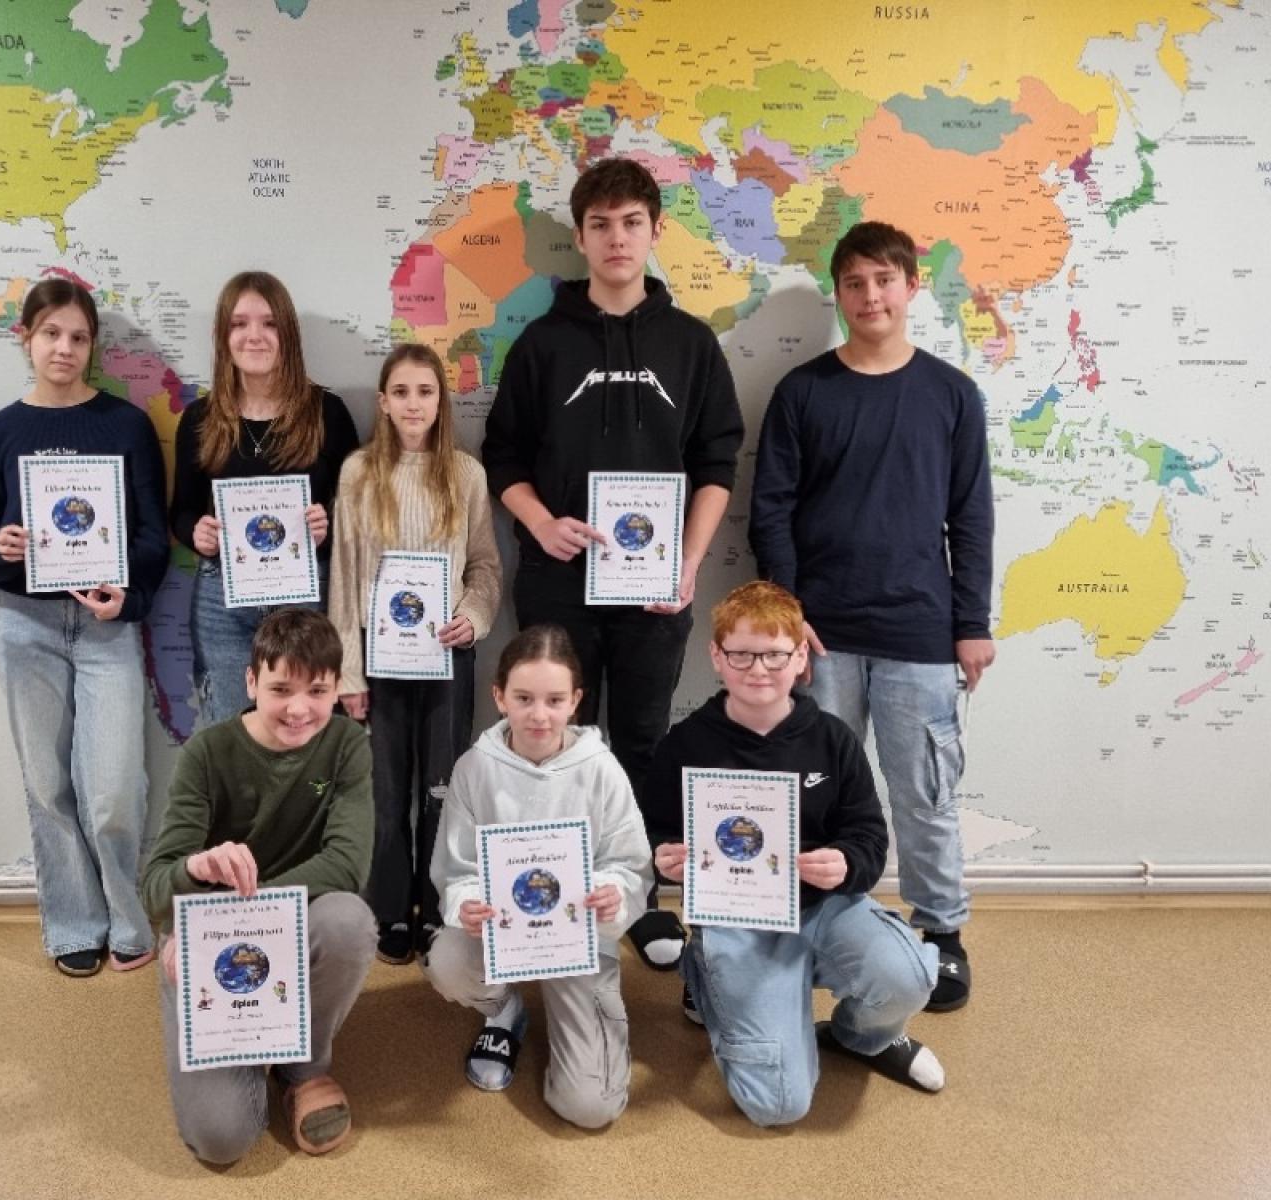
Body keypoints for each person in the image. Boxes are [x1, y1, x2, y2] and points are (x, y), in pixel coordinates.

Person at [479, 157, 744, 971]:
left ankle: (639, 899)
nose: (617, 239)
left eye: (632, 223)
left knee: (639, 738)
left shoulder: (691, 344)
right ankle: (552, 893)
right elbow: (502, 454)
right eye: (601, 225)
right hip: (557, 582)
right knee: (552, 738)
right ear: (582, 236)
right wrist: (540, 522)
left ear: (656, 230)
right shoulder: (542, 343)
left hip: (654, 590)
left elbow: (717, 461)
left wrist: (688, 562)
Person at [748, 220, 995, 1011]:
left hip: (920, 632)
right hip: (818, 637)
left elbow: (971, 516)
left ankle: (941, 929)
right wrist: (785, 616)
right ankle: (807, 918)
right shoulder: (804, 392)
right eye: (854, 282)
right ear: (840, 293)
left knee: (923, 791)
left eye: (884, 280)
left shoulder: (952, 394)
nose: (870, 295)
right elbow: (771, 509)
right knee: (810, 790)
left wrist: (972, 623)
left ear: (912, 286)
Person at [646, 582, 943, 1126]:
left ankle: (861, 1038)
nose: (758, 669)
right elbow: (654, 833)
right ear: (717, 656)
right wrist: (665, 860)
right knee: (777, 1106)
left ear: (801, 656)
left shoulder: (834, 738)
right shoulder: (684, 745)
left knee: (908, 977)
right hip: (739, 920)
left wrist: (847, 862)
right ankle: (708, 974)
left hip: (825, 906)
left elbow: (869, 836)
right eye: (741, 654)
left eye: (775, 655)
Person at [0, 277, 167, 978]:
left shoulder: (125, 425)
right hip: (26, 625)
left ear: (92, 345)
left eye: (78, 337)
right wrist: (0, 550)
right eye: (51, 334)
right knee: (48, 785)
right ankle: (75, 922)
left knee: (114, 791)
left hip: (106, 629)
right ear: (26, 338)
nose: (64, 348)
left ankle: (128, 919)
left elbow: (152, 537)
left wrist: (125, 598)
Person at [141, 608, 376, 1163]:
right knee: (221, 1138)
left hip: (281, 918)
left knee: (348, 921)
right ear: (251, 682)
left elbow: (346, 866)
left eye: (317, 691)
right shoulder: (206, 753)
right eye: (280, 689)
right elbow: (154, 887)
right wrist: (198, 872)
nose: (299, 708)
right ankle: (246, 1043)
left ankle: (302, 1067)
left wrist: (244, 913)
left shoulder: (347, 746)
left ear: (336, 688)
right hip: (207, 939)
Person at [424, 625, 652, 1130]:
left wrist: (614, 894)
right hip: (501, 933)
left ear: (576, 701)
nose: (539, 715)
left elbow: (630, 862)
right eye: (524, 698)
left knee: (590, 1108)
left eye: (554, 700)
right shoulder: (474, 768)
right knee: (448, 962)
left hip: (579, 940)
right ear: (499, 696)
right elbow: (457, 867)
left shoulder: (601, 769)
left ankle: (577, 1026)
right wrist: (466, 903)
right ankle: (505, 1010)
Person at [329, 343, 502, 965]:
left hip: (446, 660)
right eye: (400, 392)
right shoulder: (358, 473)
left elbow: (484, 567)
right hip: (377, 662)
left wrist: (472, 619)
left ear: (440, 401)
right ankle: (389, 909)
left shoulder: (466, 474)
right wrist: (348, 673)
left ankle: (438, 907)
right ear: (383, 401)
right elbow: (344, 579)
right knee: (383, 792)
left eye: (425, 392)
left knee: (441, 790)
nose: (413, 404)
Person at [170, 270, 360, 729]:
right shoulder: (199, 418)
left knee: (302, 728)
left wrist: (327, 527)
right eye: (239, 324)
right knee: (230, 732)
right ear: (223, 335)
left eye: (269, 323)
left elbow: (357, 517)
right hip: (223, 601)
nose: (254, 335)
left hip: (306, 597)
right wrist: (196, 532)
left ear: (288, 334)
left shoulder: (327, 413)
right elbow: (181, 511)